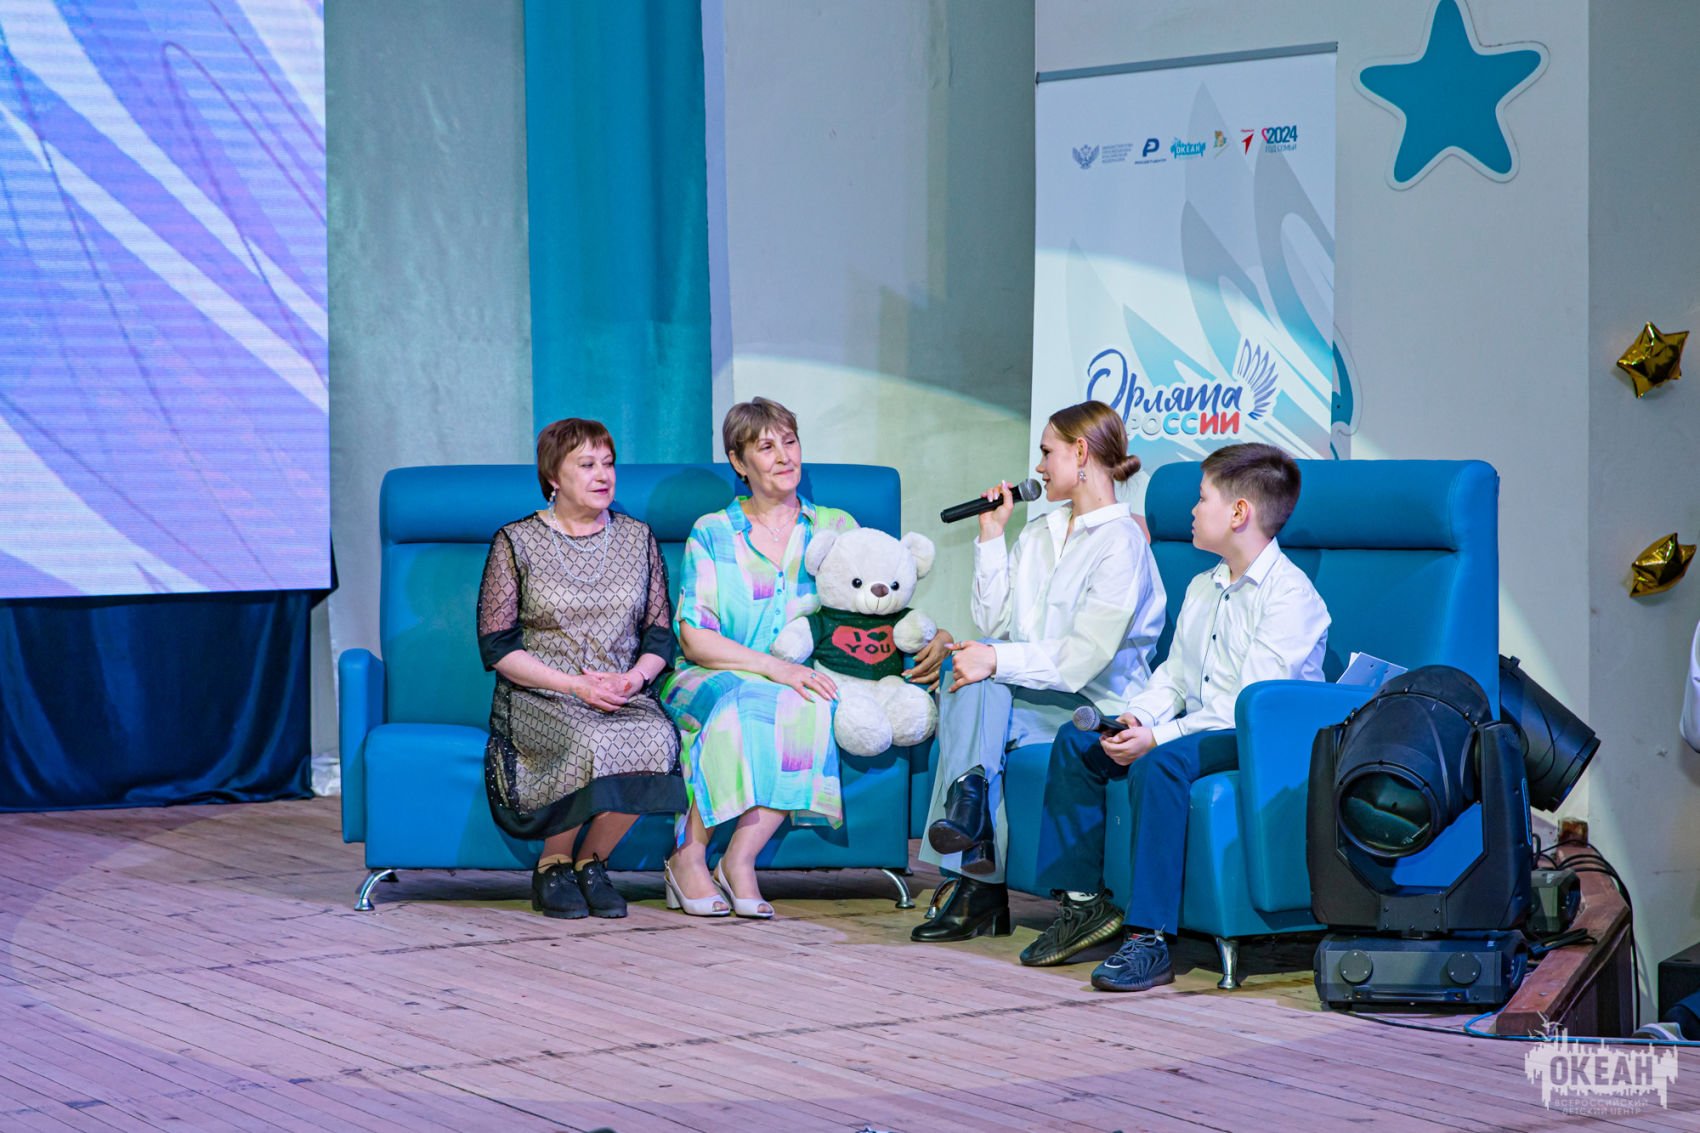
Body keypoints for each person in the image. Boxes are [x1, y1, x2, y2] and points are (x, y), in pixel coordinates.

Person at [1025, 441, 1330, 992]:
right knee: (1078, 740)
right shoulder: (1202, 585)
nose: (1192, 510)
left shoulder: (1291, 598)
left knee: (1160, 763)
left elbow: (1247, 706)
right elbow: (1174, 675)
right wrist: (1137, 718)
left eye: (1202, 498)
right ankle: (1083, 905)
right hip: (1206, 727)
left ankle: (1150, 938)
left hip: (1258, 741)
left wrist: (1158, 739)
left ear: (1239, 512)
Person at [661, 397, 954, 918]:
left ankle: (739, 859)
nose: (784, 456)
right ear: (739, 462)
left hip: (803, 681)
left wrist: (938, 635)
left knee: (807, 701)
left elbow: (880, 606)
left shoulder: (836, 526)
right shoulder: (714, 531)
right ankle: (688, 854)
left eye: (790, 442)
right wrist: (777, 668)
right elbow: (695, 639)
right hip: (709, 675)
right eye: (766, 447)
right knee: (755, 700)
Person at [910, 400, 1166, 943]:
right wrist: (990, 535)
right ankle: (971, 812)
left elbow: (1083, 659)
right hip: (1032, 696)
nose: (1039, 466)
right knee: (968, 669)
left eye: (1048, 452)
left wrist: (995, 658)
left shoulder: (1122, 544)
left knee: (976, 674)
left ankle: (975, 873)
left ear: (1081, 452)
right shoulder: (1040, 531)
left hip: (1093, 706)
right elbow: (995, 622)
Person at [477, 418, 686, 921]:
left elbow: (660, 636)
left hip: (620, 690)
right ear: (553, 476)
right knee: (591, 738)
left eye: (608, 463)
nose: (603, 475)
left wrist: (634, 679)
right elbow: (497, 645)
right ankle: (553, 864)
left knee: (657, 737)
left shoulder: (637, 538)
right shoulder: (516, 542)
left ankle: (592, 862)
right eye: (587, 464)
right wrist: (572, 685)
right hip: (542, 693)